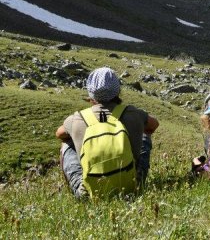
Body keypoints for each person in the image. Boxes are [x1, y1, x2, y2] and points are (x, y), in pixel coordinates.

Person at [55, 67, 159, 198]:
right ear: (118, 91)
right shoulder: (134, 113)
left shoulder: (77, 118)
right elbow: (154, 125)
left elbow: (59, 134)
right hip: (132, 186)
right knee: (145, 133)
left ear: (90, 93)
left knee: (66, 142)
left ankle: (81, 187)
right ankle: (130, 174)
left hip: (89, 194)